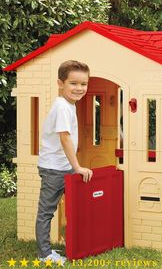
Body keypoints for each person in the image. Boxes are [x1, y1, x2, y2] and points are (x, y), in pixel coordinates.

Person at [35, 60, 93, 264]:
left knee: (77, 205)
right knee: (47, 211)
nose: (79, 88)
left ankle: (77, 243)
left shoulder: (69, 105)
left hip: (63, 166)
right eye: (73, 83)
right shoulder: (62, 107)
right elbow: (64, 137)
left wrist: (73, 166)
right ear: (60, 83)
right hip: (53, 168)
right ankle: (44, 254)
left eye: (83, 84)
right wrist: (77, 166)